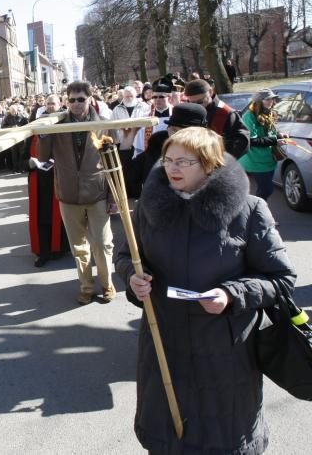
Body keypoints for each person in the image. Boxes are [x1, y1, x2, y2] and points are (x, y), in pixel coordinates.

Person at [115, 127, 296, 454]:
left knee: (223, 438)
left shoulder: (249, 210)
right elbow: (127, 256)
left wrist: (232, 294)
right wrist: (132, 277)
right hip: (163, 346)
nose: (172, 168)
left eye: (184, 162)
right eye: (168, 160)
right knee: (169, 437)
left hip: (224, 354)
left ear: (210, 165)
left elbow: (281, 278)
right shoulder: (148, 207)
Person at [38, 80, 116, 305]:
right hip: (69, 194)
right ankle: (86, 287)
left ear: (90, 99)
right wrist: (43, 134)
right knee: (79, 247)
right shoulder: (57, 124)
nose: (76, 104)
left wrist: (114, 197)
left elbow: (113, 164)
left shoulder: (103, 124)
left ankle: (107, 283)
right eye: (71, 100)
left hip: (97, 193)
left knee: (102, 244)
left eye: (80, 99)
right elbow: (43, 157)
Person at [129, 103, 208, 196]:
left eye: (182, 131)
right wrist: (127, 141)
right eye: (173, 129)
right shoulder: (156, 148)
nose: (175, 136)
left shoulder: (208, 156)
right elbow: (129, 177)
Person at [28, 98, 69, 267]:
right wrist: (28, 163)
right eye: (48, 103)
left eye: (53, 103)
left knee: (59, 215)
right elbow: (23, 154)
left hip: (57, 176)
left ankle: (58, 248)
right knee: (41, 216)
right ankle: (43, 251)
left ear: (59, 105)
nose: (50, 106)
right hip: (38, 180)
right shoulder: (34, 129)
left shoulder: (65, 126)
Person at [238, 89, 286, 201]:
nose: (271, 102)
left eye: (272, 99)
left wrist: (279, 135)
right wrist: (275, 141)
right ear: (259, 101)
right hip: (256, 161)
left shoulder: (268, 112)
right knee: (266, 190)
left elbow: (269, 132)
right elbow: (252, 141)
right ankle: (255, 211)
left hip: (268, 159)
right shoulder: (249, 116)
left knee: (265, 190)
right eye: (267, 99)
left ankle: (256, 210)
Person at [184, 78, 250, 158]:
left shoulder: (226, 113)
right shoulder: (189, 110)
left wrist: (222, 159)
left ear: (210, 92)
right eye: (192, 103)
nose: (197, 106)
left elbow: (242, 141)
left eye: (200, 101)